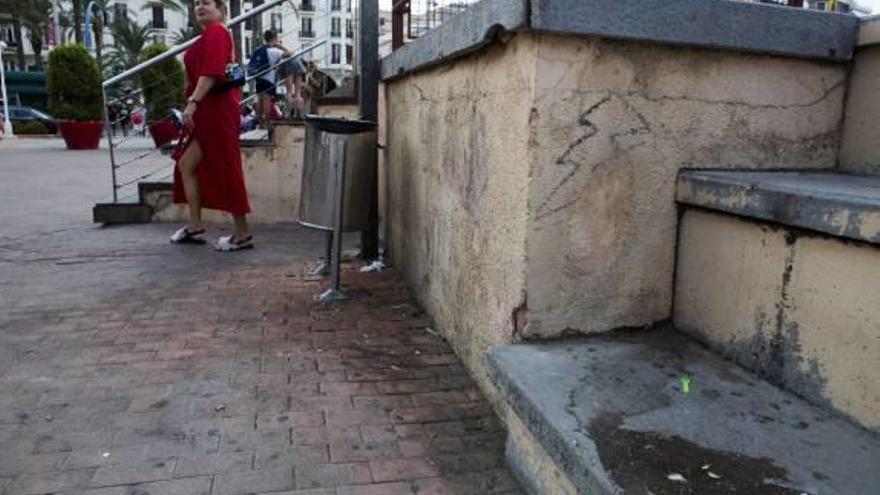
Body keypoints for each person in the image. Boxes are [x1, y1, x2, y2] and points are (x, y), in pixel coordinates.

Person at [170, 0, 253, 251]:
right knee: (186, 165)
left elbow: (210, 73)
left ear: (220, 9)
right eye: (196, 4)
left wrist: (192, 104)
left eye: (206, 3)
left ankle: (242, 233)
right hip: (208, 112)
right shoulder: (207, 36)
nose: (199, 7)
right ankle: (194, 226)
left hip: (216, 111)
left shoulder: (217, 32)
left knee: (226, 167)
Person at [250, 30, 293, 129]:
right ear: (275, 38)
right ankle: (266, 125)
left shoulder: (259, 49)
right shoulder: (275, 51)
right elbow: (290, 53)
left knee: (260, 100)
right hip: (269, 79)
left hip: (259, 77)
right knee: (267, 102)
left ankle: (260, 125)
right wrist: (279, 46)